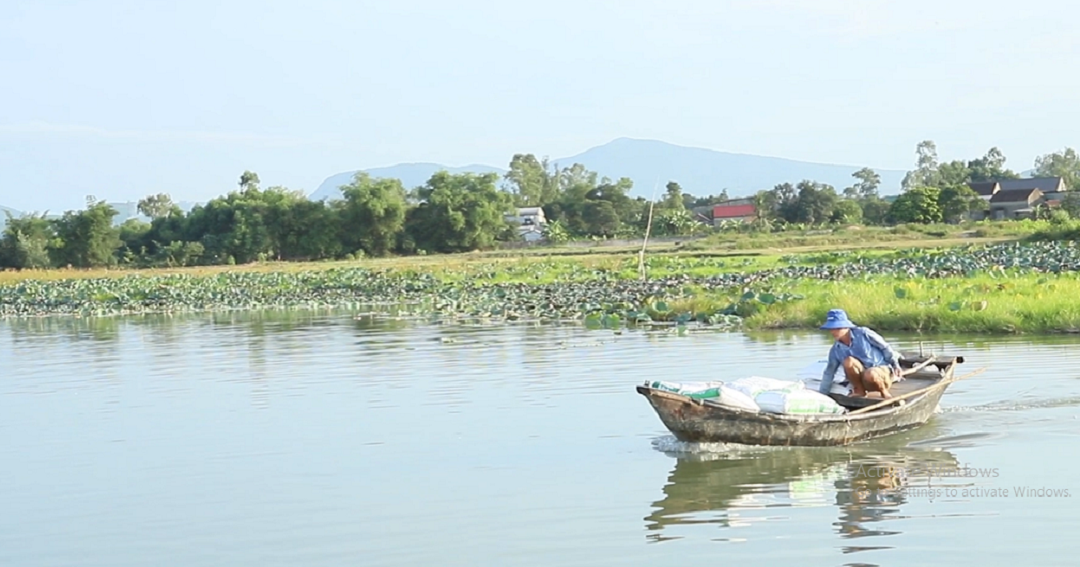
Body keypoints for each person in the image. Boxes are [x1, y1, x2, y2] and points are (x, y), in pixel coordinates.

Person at [819, 309, 902, 398]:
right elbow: (829, 372)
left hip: (880, 372)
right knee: (848, 361)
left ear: (846, 327)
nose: (833, 332)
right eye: (831, 329)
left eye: (838, 328)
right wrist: (822, 394)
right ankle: (860, 390)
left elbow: (884, 347)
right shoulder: (836, 349)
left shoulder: (863, 333)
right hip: (863, 378)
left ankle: (884, 392)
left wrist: (895, 365)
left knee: (870, 373)